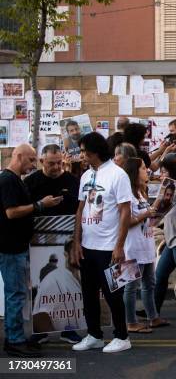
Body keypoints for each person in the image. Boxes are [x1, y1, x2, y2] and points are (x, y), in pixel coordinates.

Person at [70, 132, 133, 353]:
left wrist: (119, 245)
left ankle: (122, 336)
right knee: (88, 293)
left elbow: (126, 211)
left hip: (109, 247)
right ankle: (94, 334)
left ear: (94, 151)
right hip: (88, 246)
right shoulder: (86, 176)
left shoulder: (118, 175)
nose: (81, 155)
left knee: (113, 294)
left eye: (84, 151)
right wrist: (76, 242)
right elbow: (80, 209)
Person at [0, 144, 61, 357]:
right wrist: (40, 205)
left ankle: (15, 337)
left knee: (18, 294)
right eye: (31, 159)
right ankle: (14, 341)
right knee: (15, 294)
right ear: (18, 156)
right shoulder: (8, 180)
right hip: (10, 248)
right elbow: (11, 212)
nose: (34, 164)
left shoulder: (15, 179)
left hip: (16, 246)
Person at [25, 143, 82, 344]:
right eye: (52, 163)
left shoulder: (72, 181)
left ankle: (69, 329)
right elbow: (25, 210)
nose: (57, 167)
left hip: (67, 242)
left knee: (70, 289)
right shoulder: (31, 182)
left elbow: (79, 211)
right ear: (42, 162)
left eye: (60, 163)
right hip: (38, 243)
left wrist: (77, 241)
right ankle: (41, 332)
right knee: (39, 289)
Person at [122, 158, 160, 334]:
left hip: (146, 245)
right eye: (143, 168)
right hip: (132, 248)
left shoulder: (140, 193)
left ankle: (153, 317)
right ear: (134, 172)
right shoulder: (127, 195)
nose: (147, 171)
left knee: (149, 283)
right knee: (131, 286)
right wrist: (145, 214)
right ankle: (130, 322)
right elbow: (126, 221)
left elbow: (147, 218)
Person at [154, 154, 176, 320]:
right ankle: (153, 313)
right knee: (160, 276)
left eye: (163, 171)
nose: (161, 175)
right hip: (170, 239)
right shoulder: (168, 189)